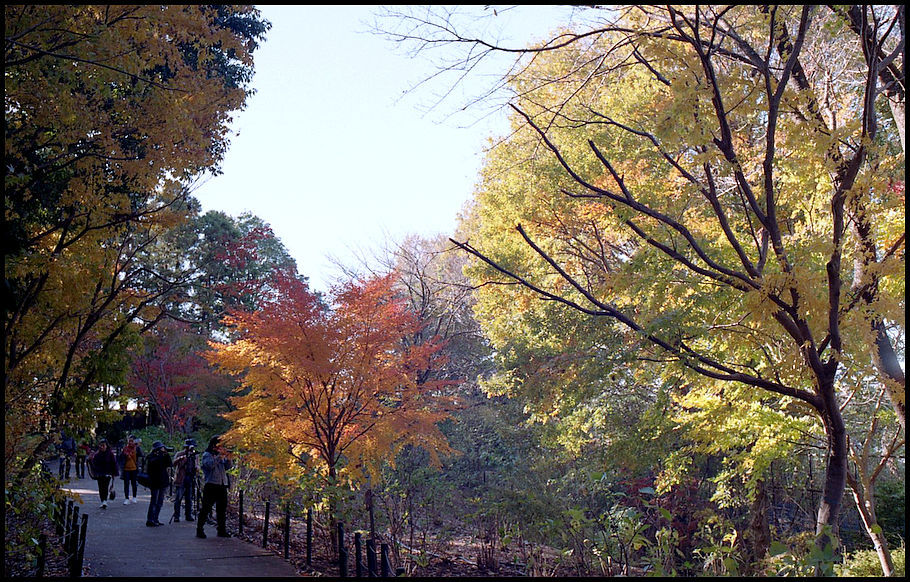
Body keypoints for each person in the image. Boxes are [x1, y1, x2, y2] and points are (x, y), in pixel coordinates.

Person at [196, 436, 232, 539]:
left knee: (222, 509)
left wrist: (228, 458)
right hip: (211, 485)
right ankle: (199, 529)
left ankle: (221, 530)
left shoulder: (220, 456)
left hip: (222, 485)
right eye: (219, 445)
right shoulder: (207, 455)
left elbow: (228, 467)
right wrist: (219, 456)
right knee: (206, 508)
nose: (221, 447)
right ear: (213, 445)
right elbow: (209, 466)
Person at [145, 441, 173, 527]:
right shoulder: (151, 457)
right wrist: (160, 455)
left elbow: (169, 464)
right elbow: (153, 465)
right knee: (154, 501)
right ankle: (150, 519)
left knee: (160, 502)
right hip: (154, 482)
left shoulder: (163, 456)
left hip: (162, 482)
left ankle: (156, 518)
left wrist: (166, 454)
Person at [172, 438, 199, 523]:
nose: (191, 449)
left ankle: (188, 515)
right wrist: (181, 459)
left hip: (190, 478)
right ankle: (177, 515)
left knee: (189, 498)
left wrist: (197, 468)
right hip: (181, 478)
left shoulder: (195, 456)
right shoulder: (180, 454)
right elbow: (173, 464)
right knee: (178, 498)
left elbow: (197, 465)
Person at [89, 439, 119, 509]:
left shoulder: (110, 454)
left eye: (103, 445)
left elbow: (114, 463)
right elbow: (94, 464)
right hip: (100, 473)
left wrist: (114, 473)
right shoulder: (97, 454)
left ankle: (104, 501)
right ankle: (102, 501)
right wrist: (90, 460)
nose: (102, 447)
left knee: (105, 487)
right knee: (101, 487)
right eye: (100, 445)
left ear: (106, 446)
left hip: (107, 473)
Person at [119, 435, 144, 505]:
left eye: (132, 441)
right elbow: (120, 458)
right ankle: (126, 498)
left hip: (134, 468)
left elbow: (142, 455)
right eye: (129, 441)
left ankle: (134, 497)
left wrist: (138, 446)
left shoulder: (137, 449)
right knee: (126, 484)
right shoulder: (125, 449)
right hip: (126, 468)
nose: (130, 442)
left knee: (134, 483)